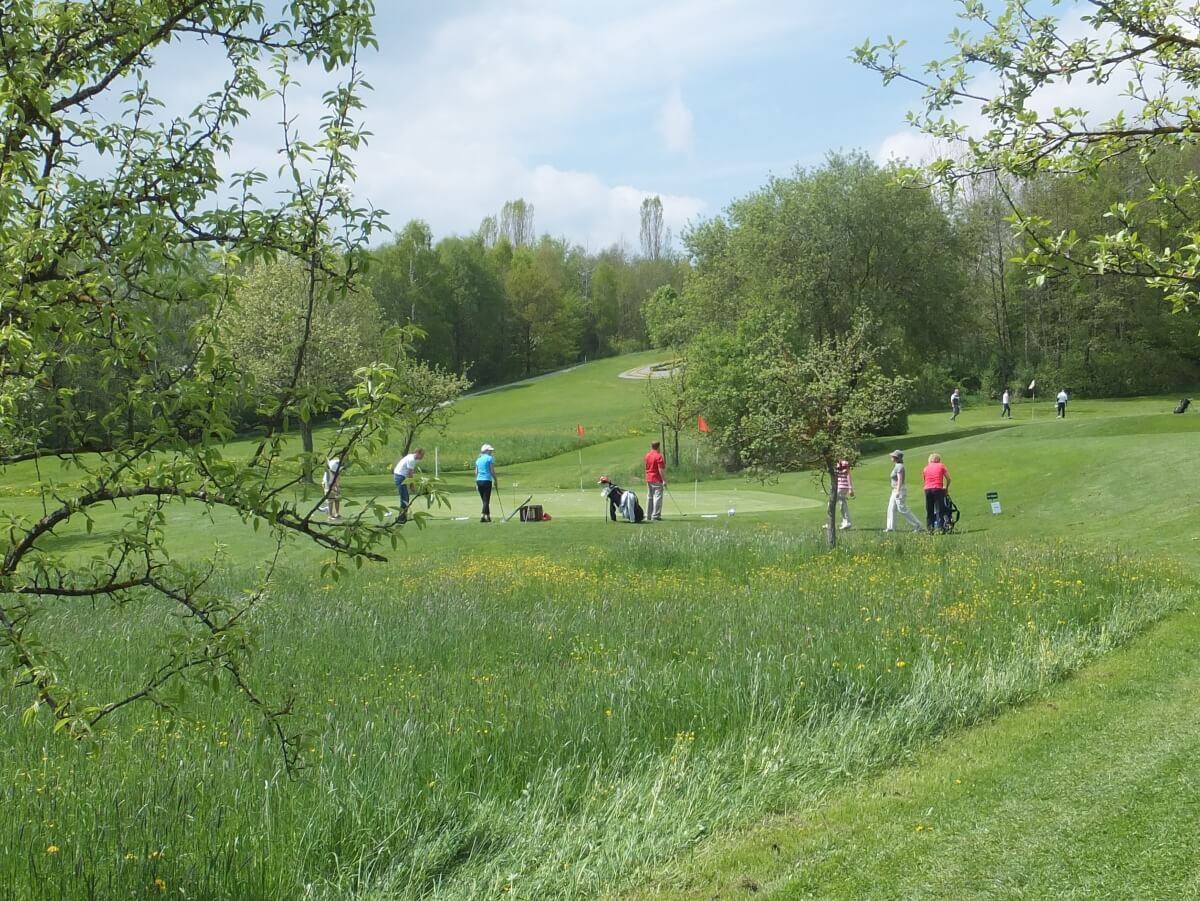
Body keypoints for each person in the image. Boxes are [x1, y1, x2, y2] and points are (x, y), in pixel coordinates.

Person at [884, 450, 924, 533]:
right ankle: (890, 527)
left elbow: (900, 480)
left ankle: (917, 525)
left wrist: (898, 491)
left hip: (899, 490)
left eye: (892, 456)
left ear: (896, 458)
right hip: (894, 490)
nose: (891, 457)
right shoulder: (897, 466)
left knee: (902, 508)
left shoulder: (899, 466)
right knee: (891, 508)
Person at [392, 447, 425, 522]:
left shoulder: (411, 457)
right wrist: (412, 486)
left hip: (400, 476)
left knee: (406, 497)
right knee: (404, 498)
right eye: (422, 455)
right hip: (400, 477)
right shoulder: (412, 460)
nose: (423, 457)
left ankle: (403, 517)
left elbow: (409, 473)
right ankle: (401, 518)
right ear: (418, 453)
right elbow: (410, 474)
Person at [922, 452, 951, 533]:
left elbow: (925, 481)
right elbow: (948, 478)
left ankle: (930, 529)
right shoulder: (941, 466)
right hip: (938, 489)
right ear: (938, 459)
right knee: (940, 509)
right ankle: (941, 528)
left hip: (927, 489)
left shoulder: (925, 468)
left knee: (929, 509)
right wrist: (946, 488)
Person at [644, 441, 666, 521]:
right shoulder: (659, 456)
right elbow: (661, 469)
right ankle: (656, 515)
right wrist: (664, 480)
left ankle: (648, 515)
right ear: (658, 447)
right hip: (656, 479)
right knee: (657, 497)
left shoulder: (647, 455)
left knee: (649, 497)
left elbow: (646, 467)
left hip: (649, 478)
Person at [475, 443, 497, 522]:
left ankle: (488, 517)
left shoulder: (478, 459)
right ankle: (482, 516)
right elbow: (492, 470)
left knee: (484, 500)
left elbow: (476, 472)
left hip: (479, 481)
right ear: (486, 451)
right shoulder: (489, 458)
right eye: (490, 450)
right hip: (487, 480)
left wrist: (476, 483)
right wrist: (495, 479)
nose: (491, 452)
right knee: (486, 500)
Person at [835, 459, 854, 530]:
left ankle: (830, 522)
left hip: (842, 487)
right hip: (839, 487)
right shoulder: (836, 462)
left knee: (831, 503)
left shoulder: (844, 463)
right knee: (842, 505)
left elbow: (848, 474)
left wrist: (850, 488)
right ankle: (846, 523)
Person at [323, 456, 342, 521]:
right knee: (330, 500)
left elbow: (337, 479)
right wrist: (334, 489)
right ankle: (330, 515)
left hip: (334, 484)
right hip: (328, 485)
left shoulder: (337, 471)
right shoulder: (328, 474)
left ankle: (337, 513)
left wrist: (338, 487)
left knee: (337, 498)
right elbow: (328, 483)